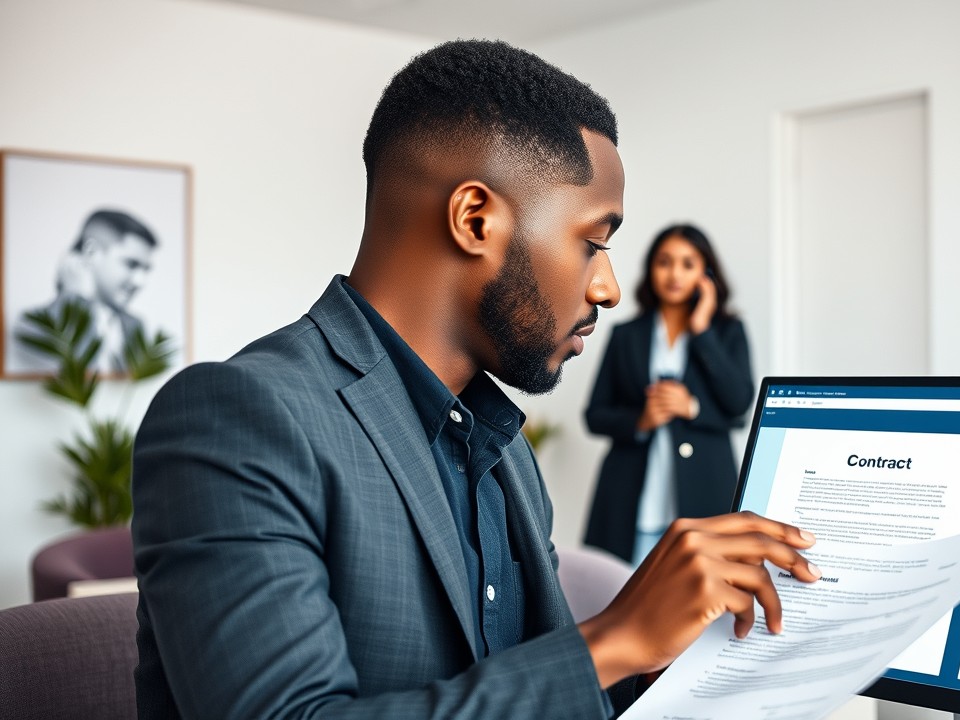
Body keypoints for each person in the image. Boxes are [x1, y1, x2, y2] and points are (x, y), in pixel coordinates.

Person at [130, 40, 821, 720]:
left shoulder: (503, 447)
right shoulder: (237, 419)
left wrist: (655, 665)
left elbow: (529, 689)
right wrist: (614, 639)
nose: (608, 288)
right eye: (593, 244)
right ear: (474, 219)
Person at [583, 224, 754, 565]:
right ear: (651, 268)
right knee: (621, 596)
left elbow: (740, 403)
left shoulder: (727, 332)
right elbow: (595, 414)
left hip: (704, 490)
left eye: (688, 264)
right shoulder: (626, 335)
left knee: (704, 603)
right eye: (665, 262)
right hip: (632, 496)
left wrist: (693, 405)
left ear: (706, 273)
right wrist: (641, 420)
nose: (675, 273)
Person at [16, 208, 156, 373]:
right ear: (91, 252)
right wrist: (76, 301)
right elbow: (75, 381)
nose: (140, 281)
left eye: (146, 269)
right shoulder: (37, 323)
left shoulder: (135, 326)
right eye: (131, 264)